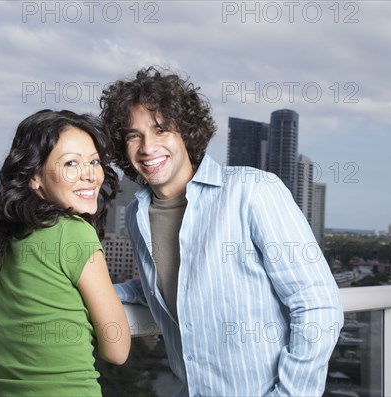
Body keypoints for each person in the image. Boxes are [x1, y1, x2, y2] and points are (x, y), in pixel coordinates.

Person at [100, 67, 343, 396]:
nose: (147, 147)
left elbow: (317, 306)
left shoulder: (253, 191)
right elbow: (164, 284)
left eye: (161, 130)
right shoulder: (136, 214)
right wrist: (97, 293)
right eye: (133, 135)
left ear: (185, 132)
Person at [0, 109, 131, 397]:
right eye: (71, 163)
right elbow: (117, 348)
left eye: (94, 161)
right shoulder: (74, 233)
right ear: (35, 177)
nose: (90, 175)